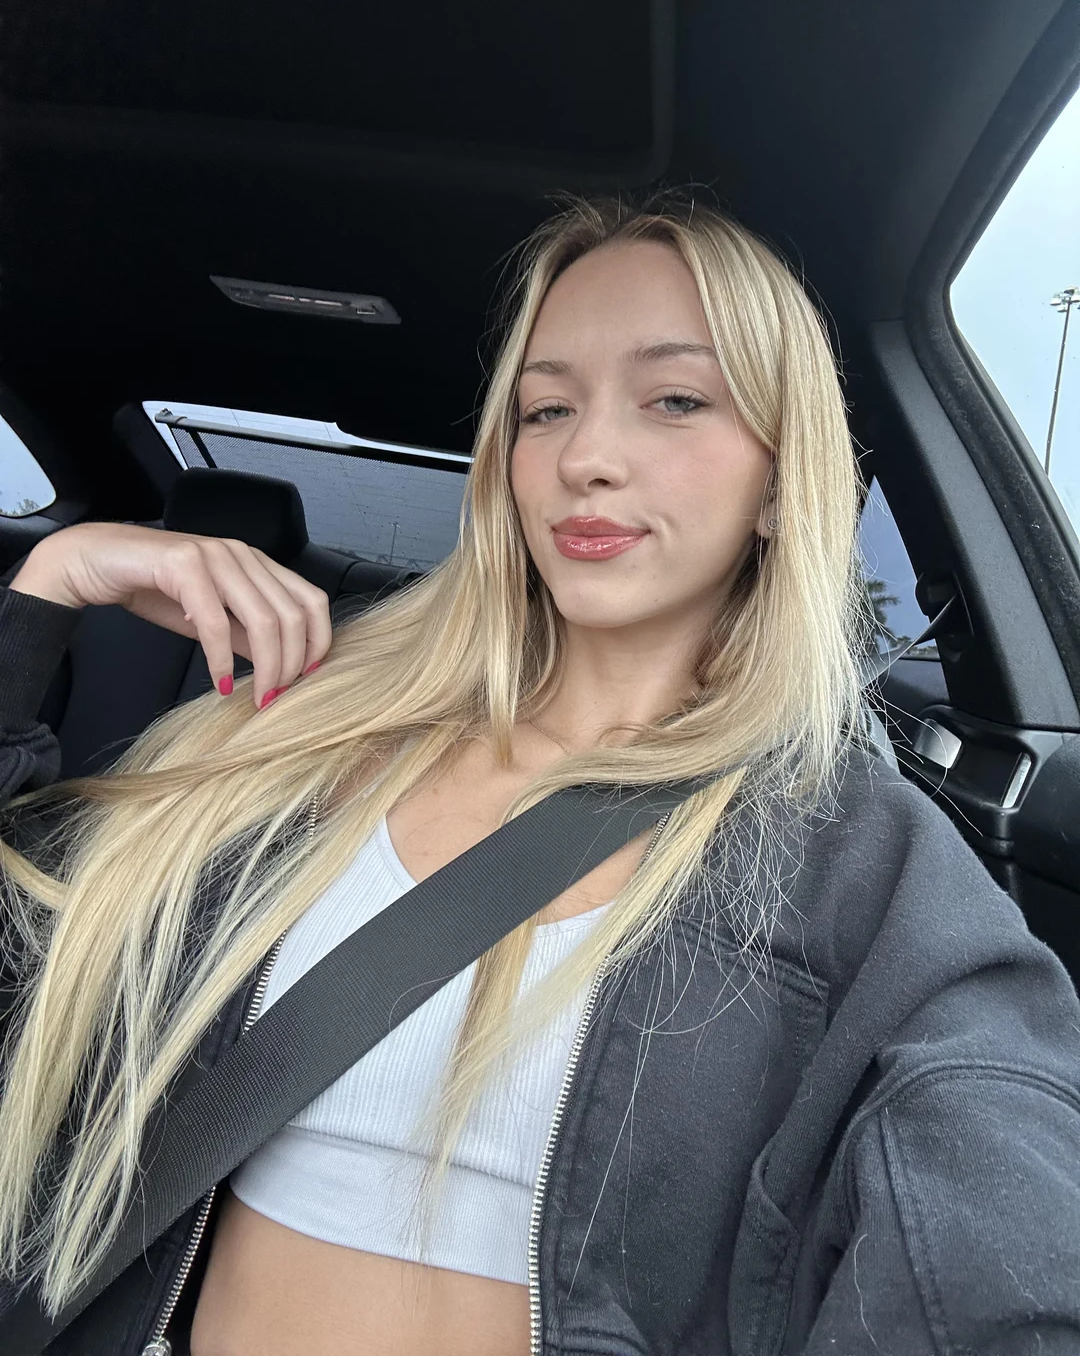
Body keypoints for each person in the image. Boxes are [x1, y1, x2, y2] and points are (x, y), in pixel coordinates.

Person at [0, 188, 1078, 1356]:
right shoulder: (293, 734)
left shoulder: (859, 856)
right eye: (546, 409)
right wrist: (50, 587)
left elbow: (995, 1208)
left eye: (675, 400)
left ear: (779, 480)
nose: (586, 458)